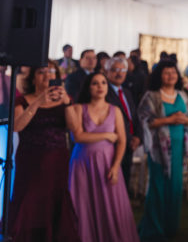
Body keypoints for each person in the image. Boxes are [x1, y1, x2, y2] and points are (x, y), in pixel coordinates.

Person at [8, 63, 80, 242]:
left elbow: (75, 129)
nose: (47, 75)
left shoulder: (65, 99)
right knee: (29, 200)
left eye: (51, 71)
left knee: (54, 200)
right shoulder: (22, 100)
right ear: (33, 78)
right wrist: (39, 101)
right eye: (42, 72)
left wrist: (67, 103)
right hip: (31, 162)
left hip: (57, 160)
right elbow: (17, 126)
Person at [67, 71, 139, 242]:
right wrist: (106, 136)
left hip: (108, 163)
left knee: (110, 206)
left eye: (103, 83)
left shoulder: (115, 111)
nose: (100, 87)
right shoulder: (78, 108)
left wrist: (115, 167)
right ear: (88, 87)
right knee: (83, 205)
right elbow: (77, 136)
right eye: (95, 83)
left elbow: (121, 141)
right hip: (82, 163)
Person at [137, 61, 188, 242]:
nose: (170, 76)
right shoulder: (151, 96)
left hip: (178, 149)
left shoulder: (182, 95)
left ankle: (171, 227)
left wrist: (184, 119)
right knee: (158, 187)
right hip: (158, 150)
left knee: (175, 187)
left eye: (173, 73)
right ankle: (154, 228)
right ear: (159, 76)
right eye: (166, 73)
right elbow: (146, 121)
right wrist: (170, 119)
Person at [105, 56, 142, 185]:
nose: (119, 73)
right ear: (107, 71)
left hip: (129, 144)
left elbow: (134, 117)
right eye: (115, 69)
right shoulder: (104, 92)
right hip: (112, 144)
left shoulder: (127, 92)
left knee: (125, 181)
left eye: (123, 70)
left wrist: (137, 136)